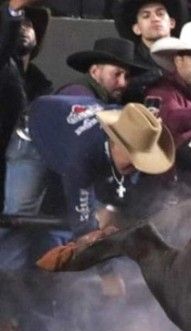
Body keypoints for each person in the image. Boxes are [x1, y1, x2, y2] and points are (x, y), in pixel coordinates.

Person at [28, 96, 175, 238]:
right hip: (35, 130)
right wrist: (90, 232)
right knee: (23, 209)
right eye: (132, 157)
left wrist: (112, 209)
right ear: (115, 142)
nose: (136, 165)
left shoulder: (133, 124)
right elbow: (84, 228)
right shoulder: (83, 155)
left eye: (141, 159)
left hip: (72, 134)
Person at [1, 0, 50, 216]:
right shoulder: (4, 66)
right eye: (18, 23)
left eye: (28, 24)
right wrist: (14, 10)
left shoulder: (43, 86)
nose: (22, 27)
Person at [112, 0, 187, 103]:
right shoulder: (128, 63)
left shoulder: (189, 58)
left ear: (172, 23)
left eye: (160, 14)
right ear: (137, 28)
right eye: (146, 16)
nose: (155, 19)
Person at [57, 37, 150, 104]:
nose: (123, 83)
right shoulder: (77, 95)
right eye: (116, 74)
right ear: (94, 72)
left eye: (127, 77)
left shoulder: (111, 99)